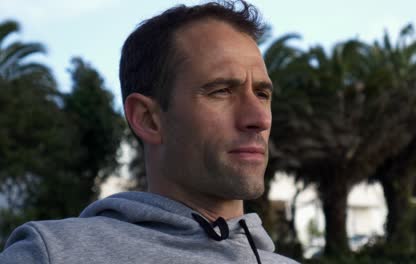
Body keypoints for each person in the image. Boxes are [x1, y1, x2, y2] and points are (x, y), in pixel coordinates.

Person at [0, 1, 299, 263]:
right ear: (148, 119)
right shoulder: (51, 255)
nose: (258, 118)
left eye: (262, 94)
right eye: (221, 91)